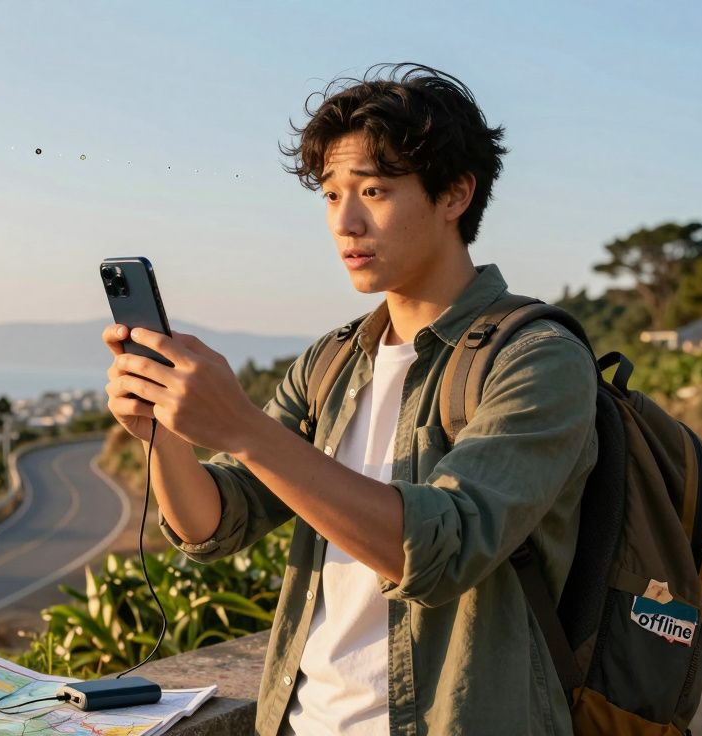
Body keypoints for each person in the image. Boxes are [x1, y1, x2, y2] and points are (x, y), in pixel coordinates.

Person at [101, 63, 598, 735]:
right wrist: (164, 433)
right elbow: (216, 525)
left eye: (374, 191)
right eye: (332, 195)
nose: (346, 221)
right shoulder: (334, 361)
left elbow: (444, 549)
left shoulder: (535, 356)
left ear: (455, 194)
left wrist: (242, 425)